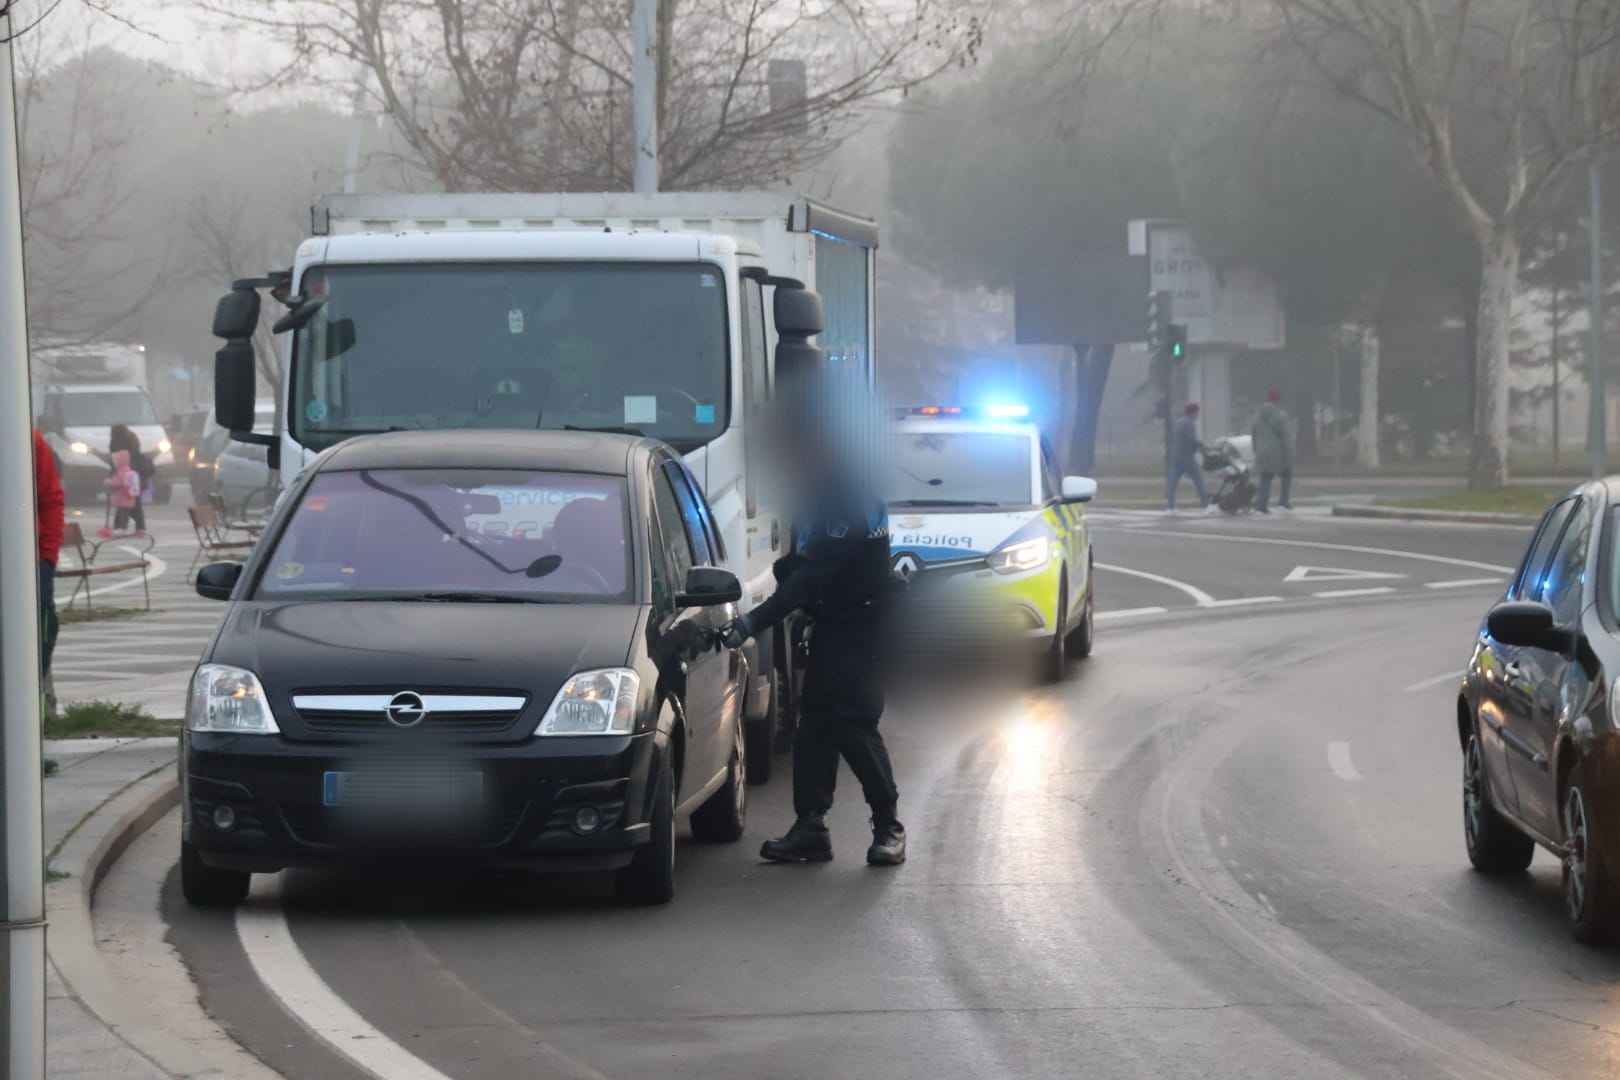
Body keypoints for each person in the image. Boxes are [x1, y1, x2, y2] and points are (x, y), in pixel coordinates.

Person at [719, 414, 905, 867]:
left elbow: (814, 575)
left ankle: (889, 826)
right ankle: (811, 827)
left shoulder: (846, 501)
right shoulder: (821, 495)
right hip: (832, 627)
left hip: (861, 632)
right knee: (815, 728)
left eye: (795, 455)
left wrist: (753, 621)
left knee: (853, 725)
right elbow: (803, 564)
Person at [34, 429, 64, 774]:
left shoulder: (27, 439)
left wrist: (47, 557)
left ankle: (26, 740)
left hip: (31, 561)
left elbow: (51, 499)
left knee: (43, 630)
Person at [1166, 403, 1216, 515]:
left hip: (1176, 457)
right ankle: (1207, 505)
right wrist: (1203, 448)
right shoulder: (1189, 424)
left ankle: (1170, 507)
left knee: (1172, 483)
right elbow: (1192, 441)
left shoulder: (1178, 422)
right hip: (1187, 458)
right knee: (1199, 480)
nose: (1198, 415)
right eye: (1197, 412)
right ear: (1193, 412)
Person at [1252, 388, 1296, 514]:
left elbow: (1254, 436)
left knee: (1265, 478)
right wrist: (1290, 454)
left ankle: (1261, 504)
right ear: (1278, 401)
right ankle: (1283, 501)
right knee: (1286, 474)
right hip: (1278, 453)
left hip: (1261, 451)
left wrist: (1257, 450)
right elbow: (1287, 438)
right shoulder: (1281, 416)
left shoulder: (1257, 417)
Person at [105, 424, 147, 535]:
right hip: (136, 478)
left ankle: (120, 526)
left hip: (125, 478)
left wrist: (111, 480)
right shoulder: (133, 440)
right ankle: (139, 527)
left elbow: (116, 464)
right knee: (134, 503)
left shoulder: (117, 445)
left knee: (124, 504)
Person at [104, 449, 143, 535]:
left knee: (123, 514)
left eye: (115, 461)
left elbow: (117, 482)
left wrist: (109, 482)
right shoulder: (128, 470)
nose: (114, 463)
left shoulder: (122, 472)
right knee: (127, 513)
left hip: (122, 498)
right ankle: (128, 527)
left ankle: (122, 528)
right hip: (129, 497)